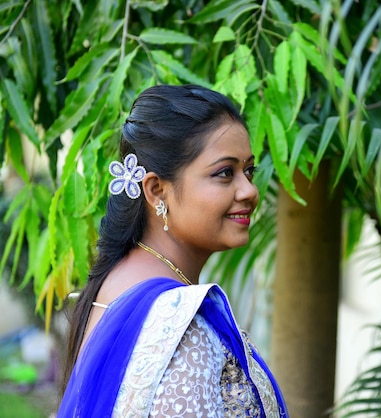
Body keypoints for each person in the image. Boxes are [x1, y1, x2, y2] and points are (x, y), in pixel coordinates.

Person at [58, 84, 288, 417]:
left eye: (248, 170)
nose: (249, 190)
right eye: (225, 173)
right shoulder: (180, 328)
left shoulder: (118, 281)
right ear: (155, 190)